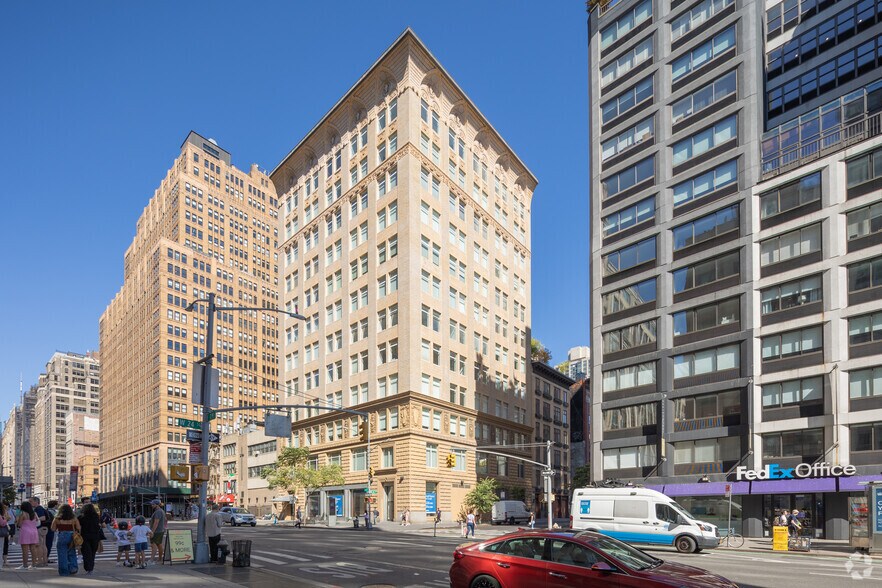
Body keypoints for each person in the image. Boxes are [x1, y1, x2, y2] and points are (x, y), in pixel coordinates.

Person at [50, 504, 80, 576]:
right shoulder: (74, 518)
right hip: (71, 536)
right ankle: (73, 568)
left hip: (61, 536)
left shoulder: (57, 518)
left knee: (62, 554)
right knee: (72, 552)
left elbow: (53, 529)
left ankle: (64, 571)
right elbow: (78, 527)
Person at [78, 503, 101, 576]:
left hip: (85, 536)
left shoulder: (81, 517)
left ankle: (88, 568)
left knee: (86, 553)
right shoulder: (96, 516)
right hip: (95, 536)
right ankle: (91, 568)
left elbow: (78, 527)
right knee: (93, 552)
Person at [16, 501, 40, 569]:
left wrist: (17, 521)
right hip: (34, 531)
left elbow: (19, 524)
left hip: (25, 532)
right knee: (33, 549)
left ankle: (25, 565)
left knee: (25, 550)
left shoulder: (23, 513)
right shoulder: (34, 513)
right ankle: (34, 565)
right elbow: (37, 522)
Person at [30, 497, 49, 567]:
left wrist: (34, 519)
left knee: (39, 545)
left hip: (39, 528)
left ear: (36, 501)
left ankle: (40, 561)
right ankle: (45, 561)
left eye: (31, 501)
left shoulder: (38, 509)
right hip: (44, 528)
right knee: (43, 545)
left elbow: (43, 518)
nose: (30, 503)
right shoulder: (41, 508)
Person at [149, 499, 167, 565]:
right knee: (159, 545)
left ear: (156, 505)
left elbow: (156, 522)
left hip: (157, 531)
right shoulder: (161, 511)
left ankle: (151, 560)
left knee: (153, 545)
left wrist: (152, 532)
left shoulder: (158, 512)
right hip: (160, 530)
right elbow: (165, 520)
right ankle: (160, 559)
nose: (151, 505)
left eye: (153, 504)